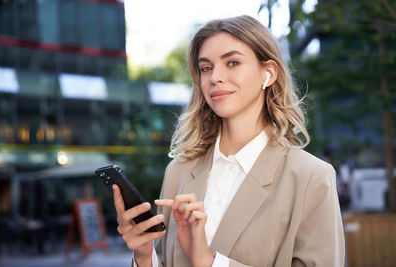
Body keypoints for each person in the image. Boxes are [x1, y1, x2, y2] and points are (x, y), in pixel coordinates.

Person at [113, 15, 345, 267]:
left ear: (268, 73)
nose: (215, 77)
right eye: (206, 68)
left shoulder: (311, 177)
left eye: (232, 62)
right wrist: (145, 256)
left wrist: (209, 262)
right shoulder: (179, 171)